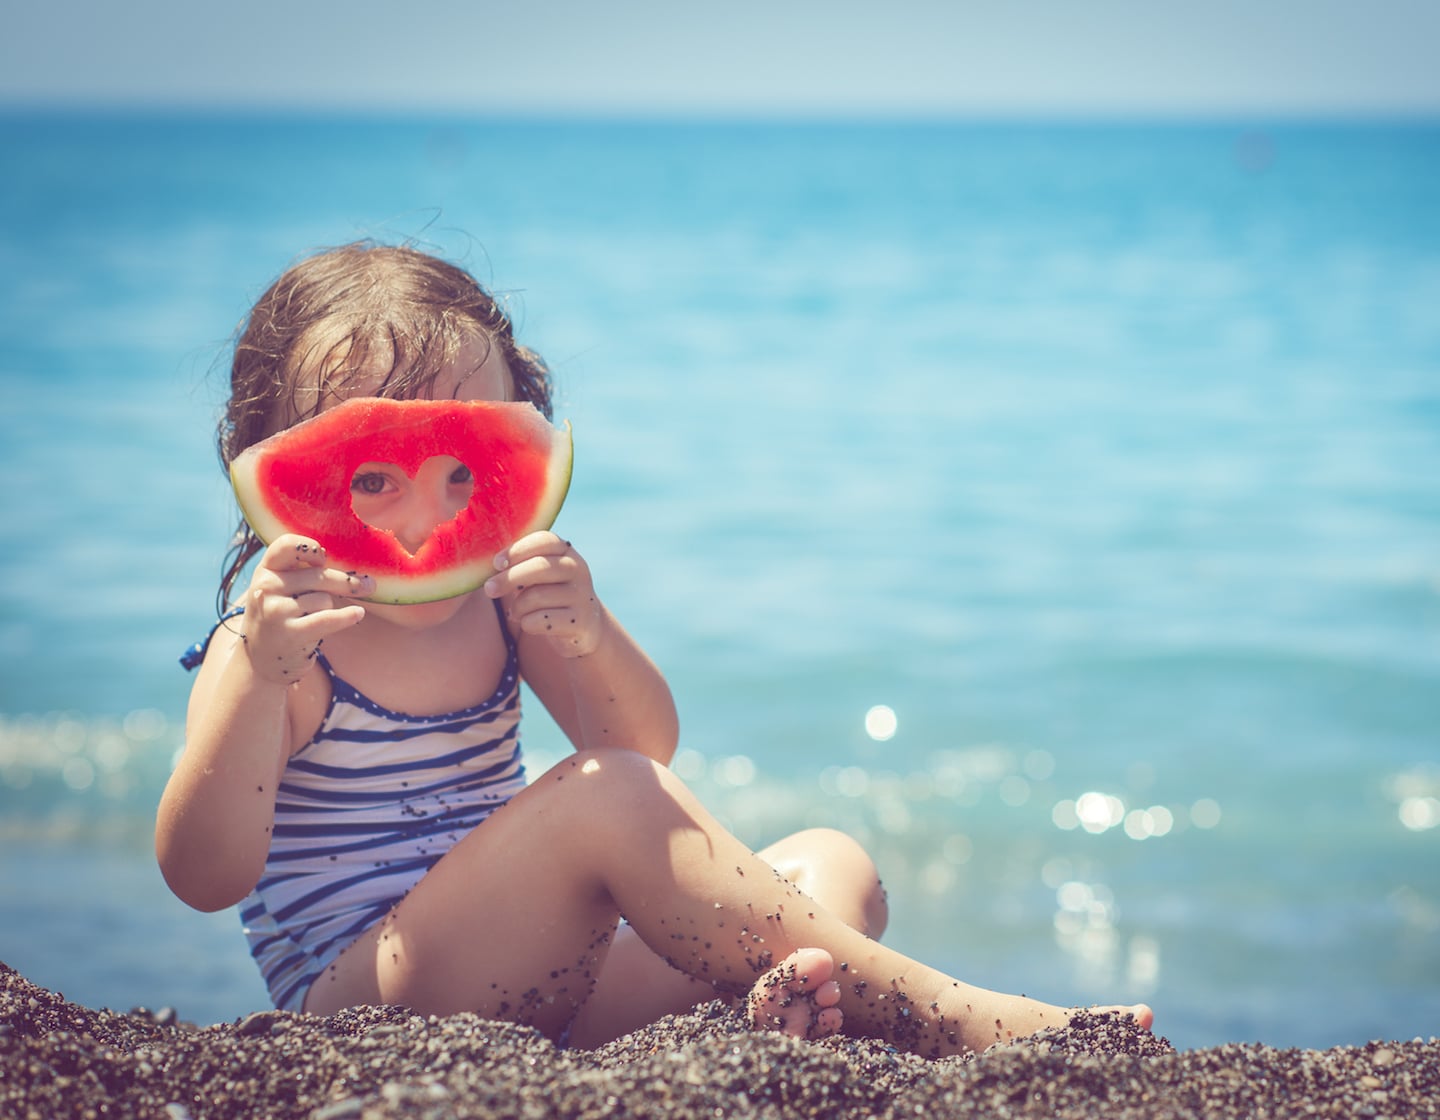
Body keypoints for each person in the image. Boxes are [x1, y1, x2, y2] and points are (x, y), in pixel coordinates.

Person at [157, 241, 1153, 1056]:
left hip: (547, 987)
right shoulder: (278, 641)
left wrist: (584, 635)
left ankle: (772, 1020)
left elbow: (643, 739)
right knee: (608, 794)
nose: (426, 520)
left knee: (830, 862)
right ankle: (962, 1019)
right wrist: (256, 679)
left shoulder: (501, 600)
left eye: (466, 472)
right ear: (269, 468)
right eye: (372, 478)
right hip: (359, 1011)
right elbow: (204, 874)